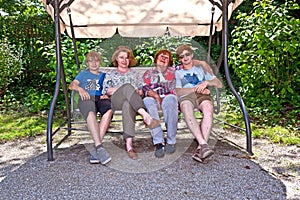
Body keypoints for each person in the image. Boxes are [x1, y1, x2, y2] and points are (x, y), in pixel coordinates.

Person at [102, 46, 160, 160]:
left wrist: (134, 92)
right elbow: (107, 90)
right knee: (127, 88)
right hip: (115, 101)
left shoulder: (135, 74)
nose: (124, 60)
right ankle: (146, 116)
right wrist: (124, 90)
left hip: (132, 103)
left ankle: (129, 146)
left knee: (127, 105)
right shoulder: (111, 74)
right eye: (121, 57)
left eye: (127, 58)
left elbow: (141, 91)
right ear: (116, 59)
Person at [175, 44, 222, 163]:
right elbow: (178, 91)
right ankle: (203, 145)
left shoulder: (201, 69)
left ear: (192, 55)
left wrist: (206, 82)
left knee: (208, 108)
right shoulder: (178, 72)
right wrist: (194, 89)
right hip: (187, 96)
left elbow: (218, 83)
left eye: (187, 54)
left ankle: (201, 148)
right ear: (179, 59)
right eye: (181, 57)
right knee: (186, 107)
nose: (185, 58)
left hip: (202, 94)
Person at [69, 51, 113, 165]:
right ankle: (99, 146)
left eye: (96, 60)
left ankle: (95, 148)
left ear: (100, 62)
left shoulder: (104, 75)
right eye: (90, 61)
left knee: (108, 110)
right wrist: (80, 89)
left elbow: (109, 87)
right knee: (90, 112)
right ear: (87, 63)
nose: (93, 63)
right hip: (87, 98)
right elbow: (72, 85)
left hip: (100, 98)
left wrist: (106, 94)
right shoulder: (83, 74)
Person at [142, 49, 178, 158]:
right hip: (154, 97)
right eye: (161, 56)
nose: (163, 59)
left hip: (168, 97)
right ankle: (158, 142)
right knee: (147, 100)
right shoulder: (149, 72)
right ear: (156, 59)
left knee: (171, 99)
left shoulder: (173, 72)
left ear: (169, 62)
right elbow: (144, 87)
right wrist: (156, 96)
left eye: (166, 58)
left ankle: (171, 141)